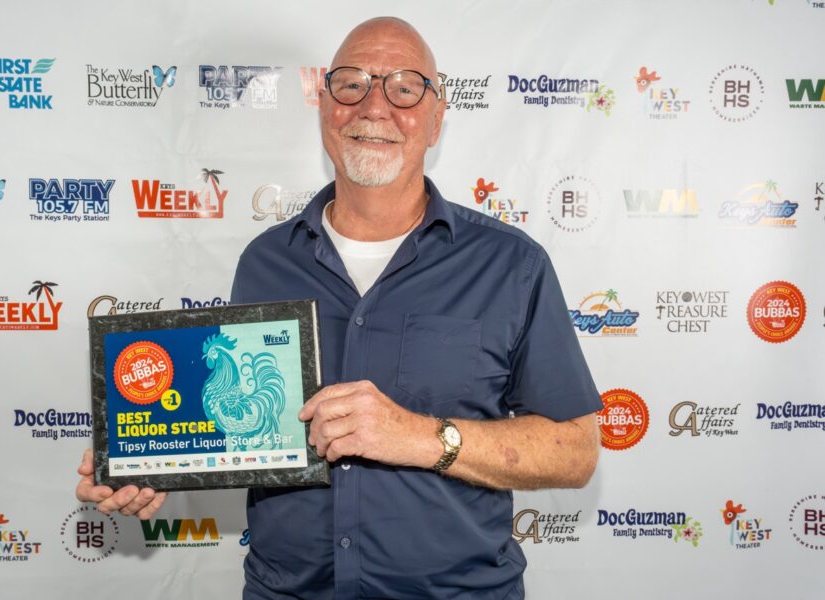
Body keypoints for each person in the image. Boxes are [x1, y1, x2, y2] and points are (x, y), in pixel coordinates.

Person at [77, 16, 601, 599]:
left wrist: (422, 437)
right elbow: (233, 421)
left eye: (404, 88)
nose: (374, 106)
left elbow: (575, 452)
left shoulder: (510, 264)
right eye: (351, 83)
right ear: (324, 104)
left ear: (436, 116)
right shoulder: (265, 262)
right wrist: (145, 459)